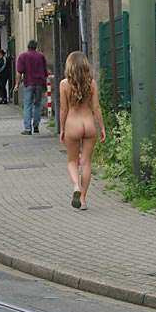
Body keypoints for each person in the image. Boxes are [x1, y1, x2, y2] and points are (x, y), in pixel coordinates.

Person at [59, 51, 106, 210]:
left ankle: (76, 186)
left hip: (73, 124)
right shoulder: (91, 83)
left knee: (72, 161)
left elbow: (63, 110)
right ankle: (83, 200)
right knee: (86, 162)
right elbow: (96, 107)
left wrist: (62, 128)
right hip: (89, 124)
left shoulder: (64, 84)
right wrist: (102, 127)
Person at [14, 39, 47, 134]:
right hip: (39, 83)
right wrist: (45, 85)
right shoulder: (41, 56)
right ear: (36, 47)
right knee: (37, 104)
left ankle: (28, 129)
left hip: (28, 83)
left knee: (27, 105)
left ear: (28, 46)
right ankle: (36, 126)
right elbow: (45, 71)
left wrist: (17, 85)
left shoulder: (23, 56)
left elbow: (19, 72)